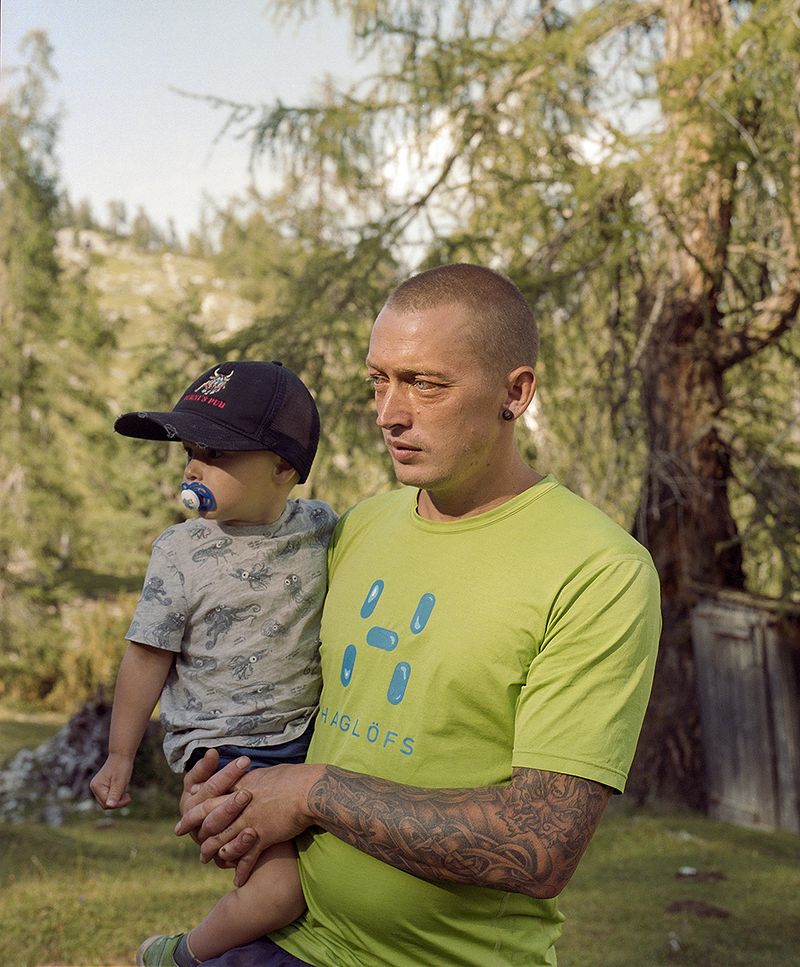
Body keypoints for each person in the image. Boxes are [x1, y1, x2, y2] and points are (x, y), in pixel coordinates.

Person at [176, 265, 662, 967]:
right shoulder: (359, 527)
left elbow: (538, 844)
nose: (388, 413)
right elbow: (287, 702)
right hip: (288, 936)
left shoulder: (598, 570)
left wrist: (310, 791)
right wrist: (228, 783)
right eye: (380, 380)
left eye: (424, 383)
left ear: (515, 392)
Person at [89, 360, 338, 967]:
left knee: (326, 878)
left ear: (284, 468)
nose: (193, 468)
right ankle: (183, 955)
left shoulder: (323, 530)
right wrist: (121, 754)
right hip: (229, 751)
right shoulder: (181, 551)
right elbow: (146, 656)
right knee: (281, 892)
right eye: (191, 451)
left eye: (217, 453)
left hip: (312, 739)